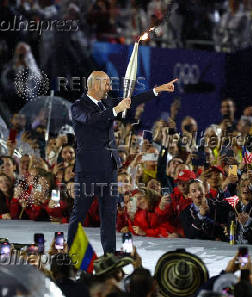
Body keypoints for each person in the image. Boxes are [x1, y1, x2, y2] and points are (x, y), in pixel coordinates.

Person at [67, 70, 178, 253]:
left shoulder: (106, 103)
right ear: (95, 85)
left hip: (109, 168)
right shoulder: (79, 106)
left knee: (109, 214)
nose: (110, 87)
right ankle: (69, 251)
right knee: (80, 213)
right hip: (88, 170)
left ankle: (109, 253)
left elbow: (131, 101)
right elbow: (90, 120)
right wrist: (115, 110)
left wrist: (158, 90)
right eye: (107, 84)